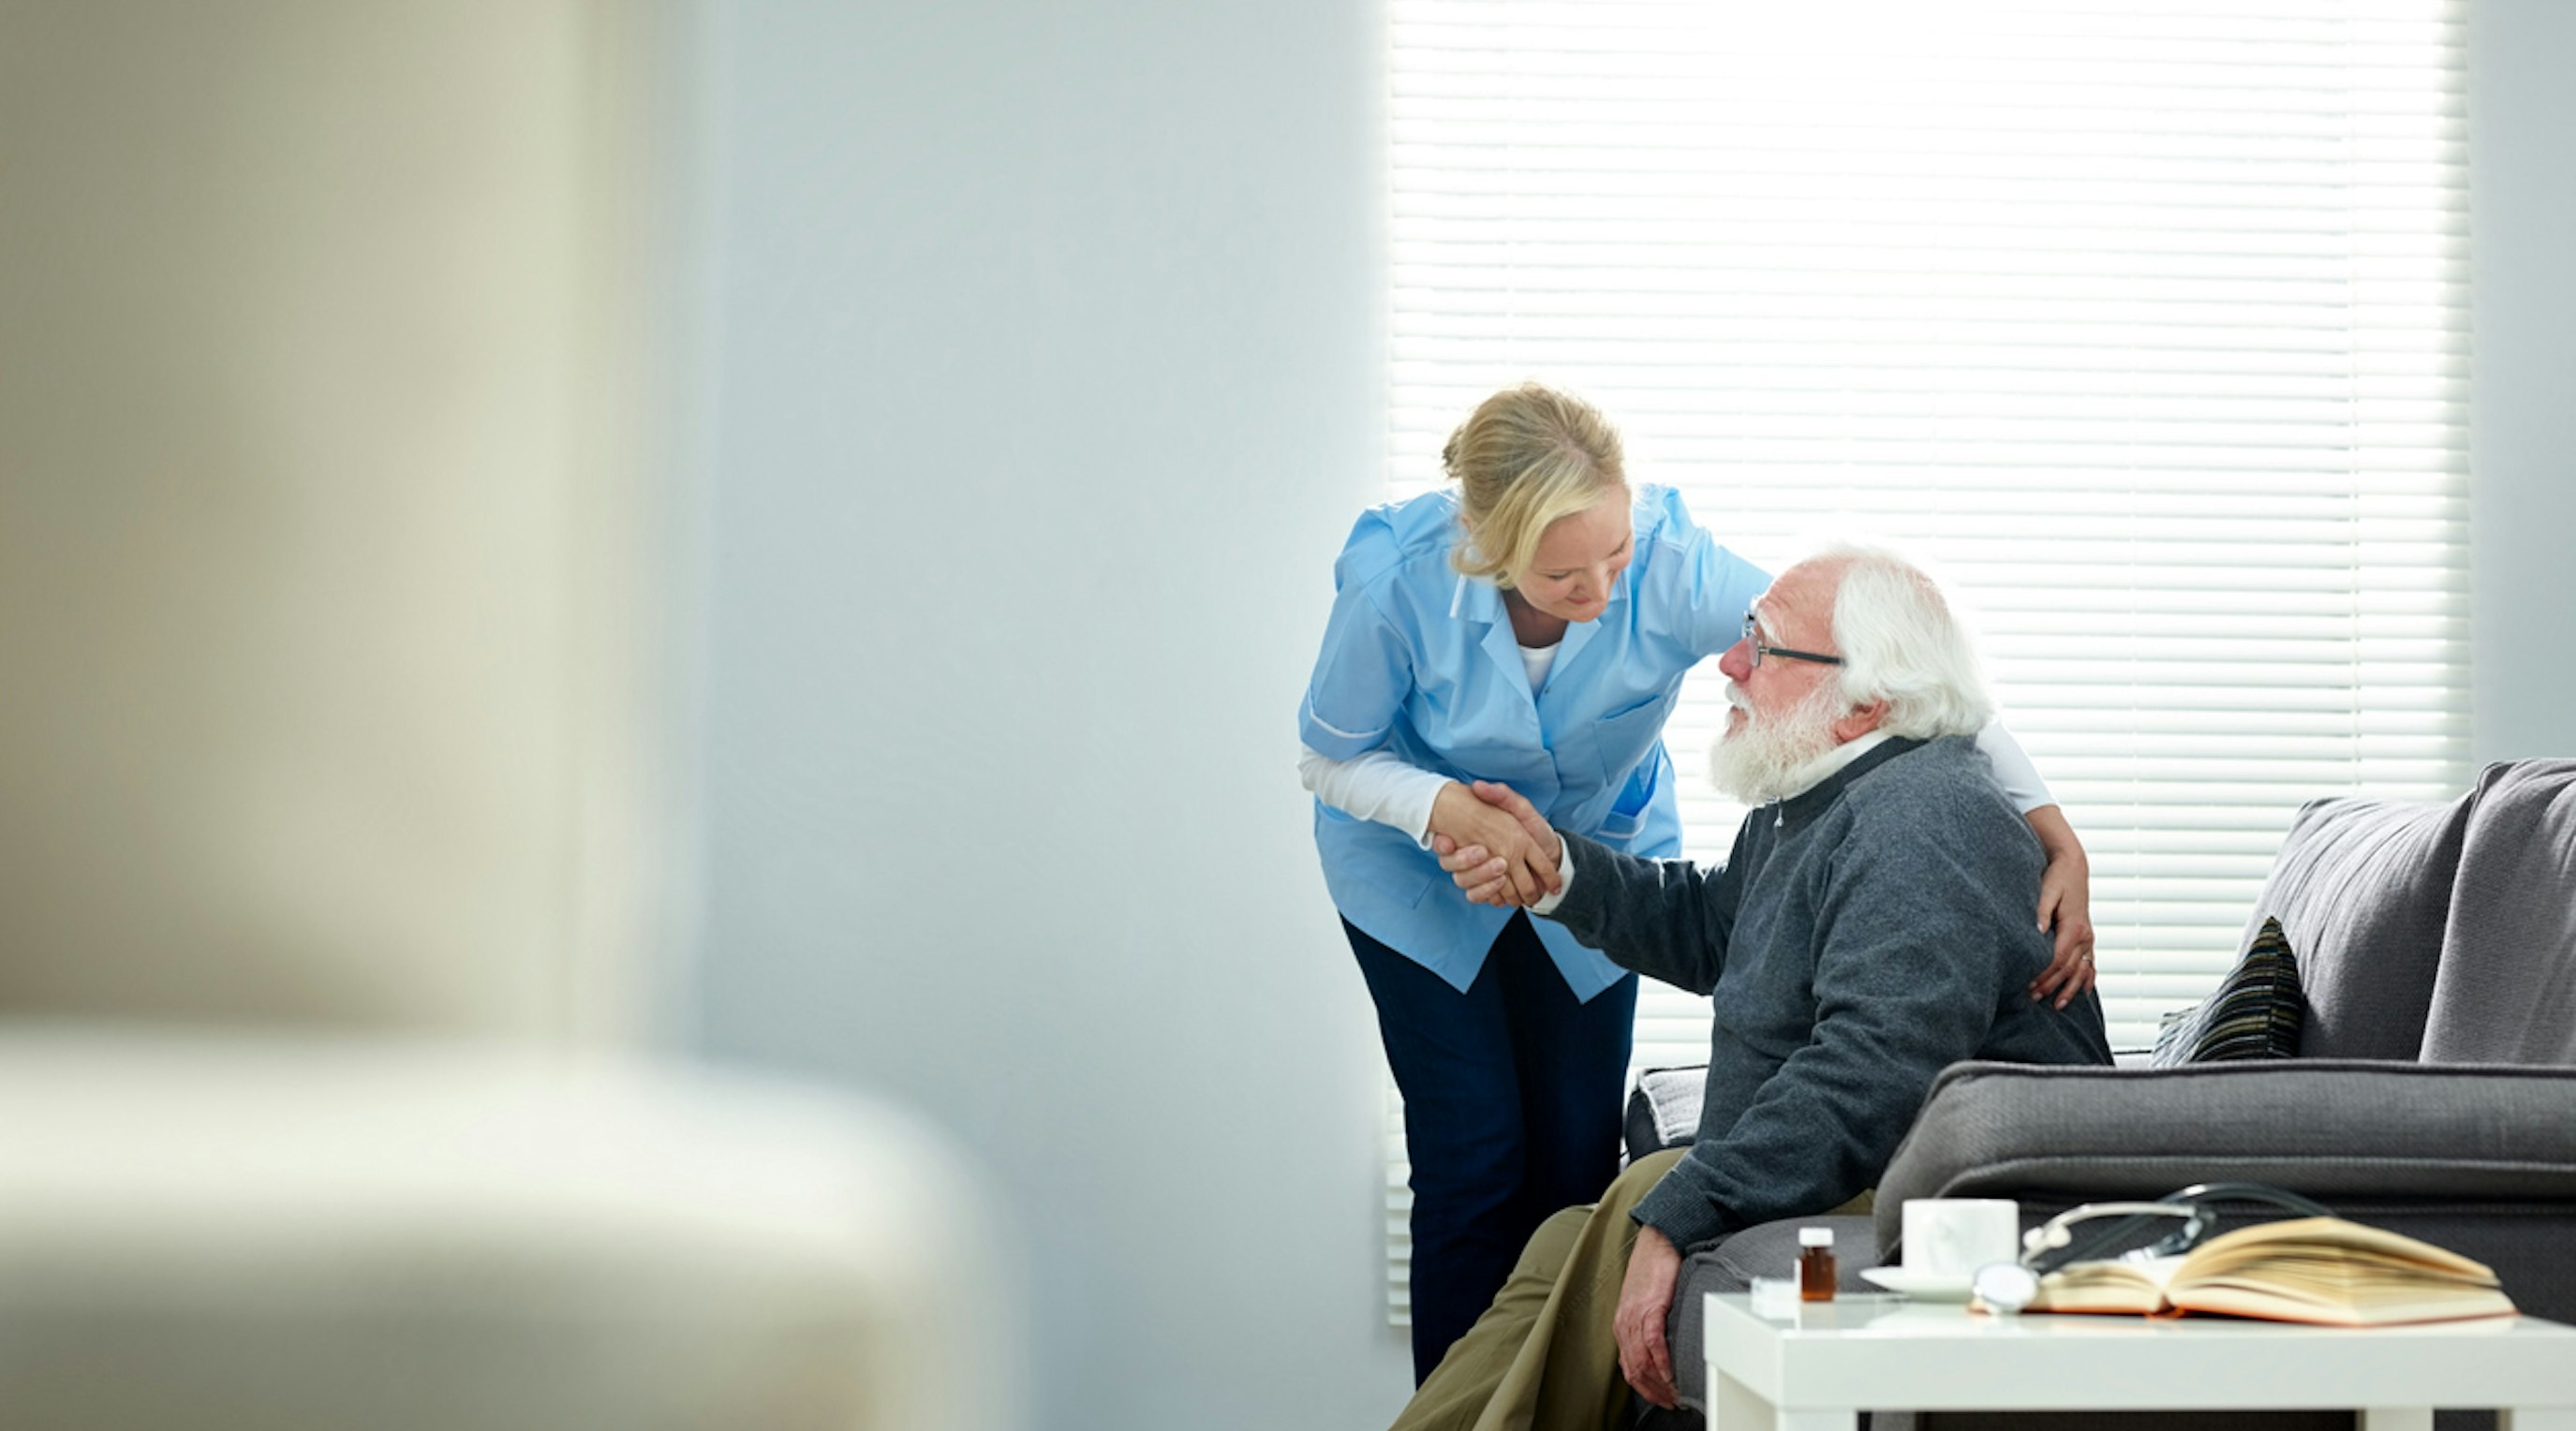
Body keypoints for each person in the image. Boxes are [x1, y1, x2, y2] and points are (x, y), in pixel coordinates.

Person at [1297, 383, 2099, 1381]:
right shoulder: (1398, 582)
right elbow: (1330, 753)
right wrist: (1447, 812)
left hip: (1588, 839)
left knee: (1571, 1165)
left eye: (1615, 556)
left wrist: (2050, 824)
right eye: (1563, 575)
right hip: (1415, 866)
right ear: (1490, 552)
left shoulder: (1902, 808)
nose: (1604, 592)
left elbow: (1895, 662)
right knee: (1473, 1154)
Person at [1389, 545, 2114, 1431]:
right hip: (1882, 1160)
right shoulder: (1824, 795)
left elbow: (1873, 1075)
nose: (1730, 664)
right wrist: (1554, 869)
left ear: (1865, 705)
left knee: (1630, 1212)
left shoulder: (1921, 820)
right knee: (1564, 1242)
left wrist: (1683, 1214)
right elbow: (1714, 930)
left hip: (1943, 1189)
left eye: (1762, 646)